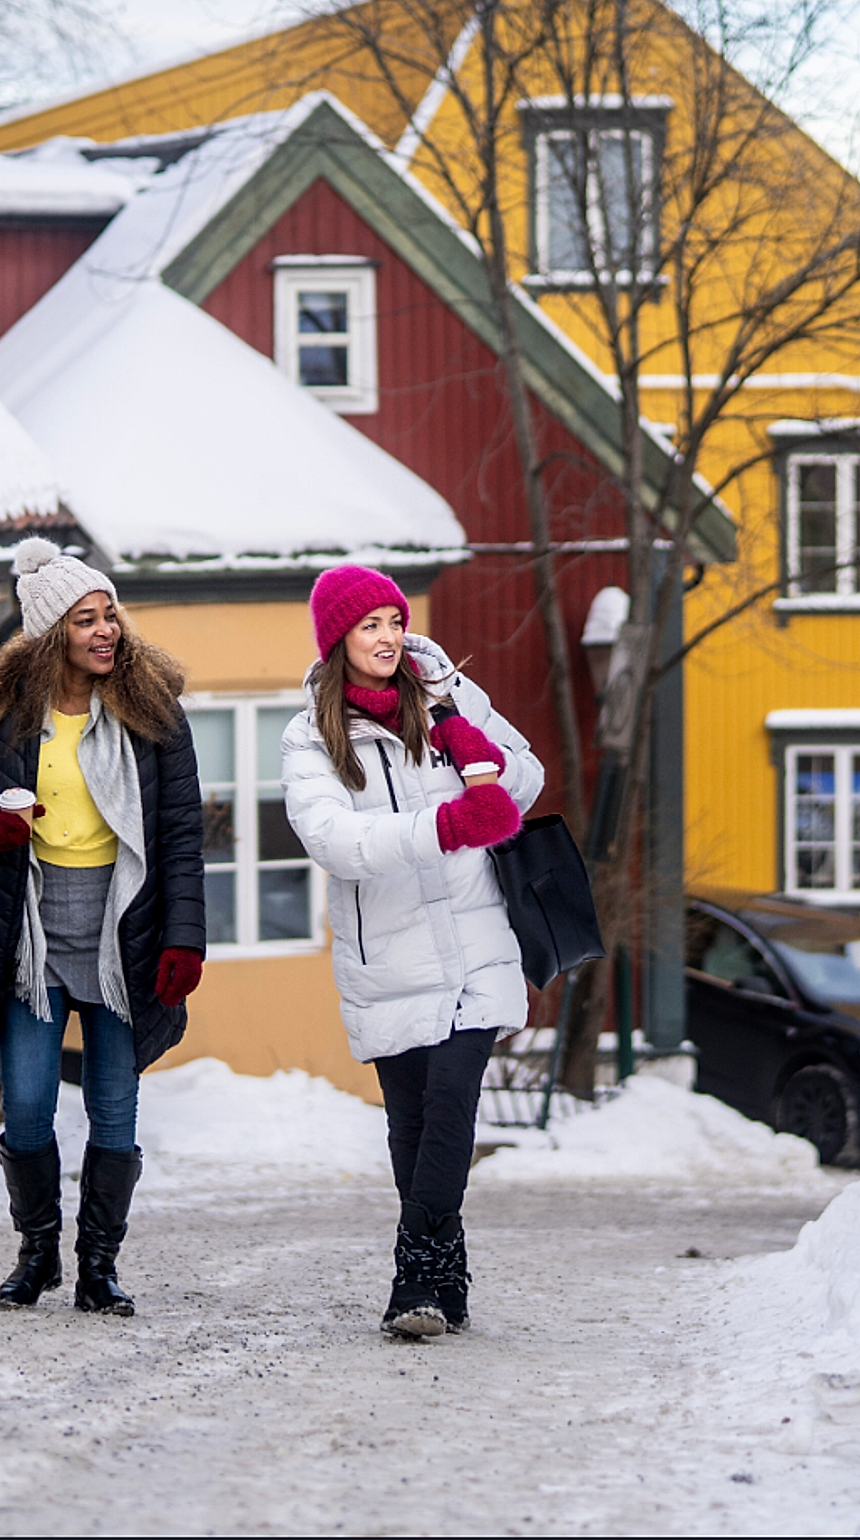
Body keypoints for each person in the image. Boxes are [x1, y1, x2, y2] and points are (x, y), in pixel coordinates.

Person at [279, 565, 539, 1338]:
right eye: (370, 626)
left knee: (454, 1101)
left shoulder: (448, 693)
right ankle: (448, 1265)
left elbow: (524, 781)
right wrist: (448, 825)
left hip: (474, 941)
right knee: (413, 1122)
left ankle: (416, 1275)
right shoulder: (310, 736)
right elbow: (334, 840)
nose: (389, 638)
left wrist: (474, 745)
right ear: (339, 640)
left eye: (394, 621)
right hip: (387, 955)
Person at [0, 538, 207, 1316]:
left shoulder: (153, 712)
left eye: (111, 617)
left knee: (113, 1106)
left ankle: (98, 1266)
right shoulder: (6, 712)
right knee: (26, 1105)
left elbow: (183, 835)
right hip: (34, 929)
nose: (106, 633)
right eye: (87, 620)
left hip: (122, 930)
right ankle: (37, 1254)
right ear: (51, 632)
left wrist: (184, 940)